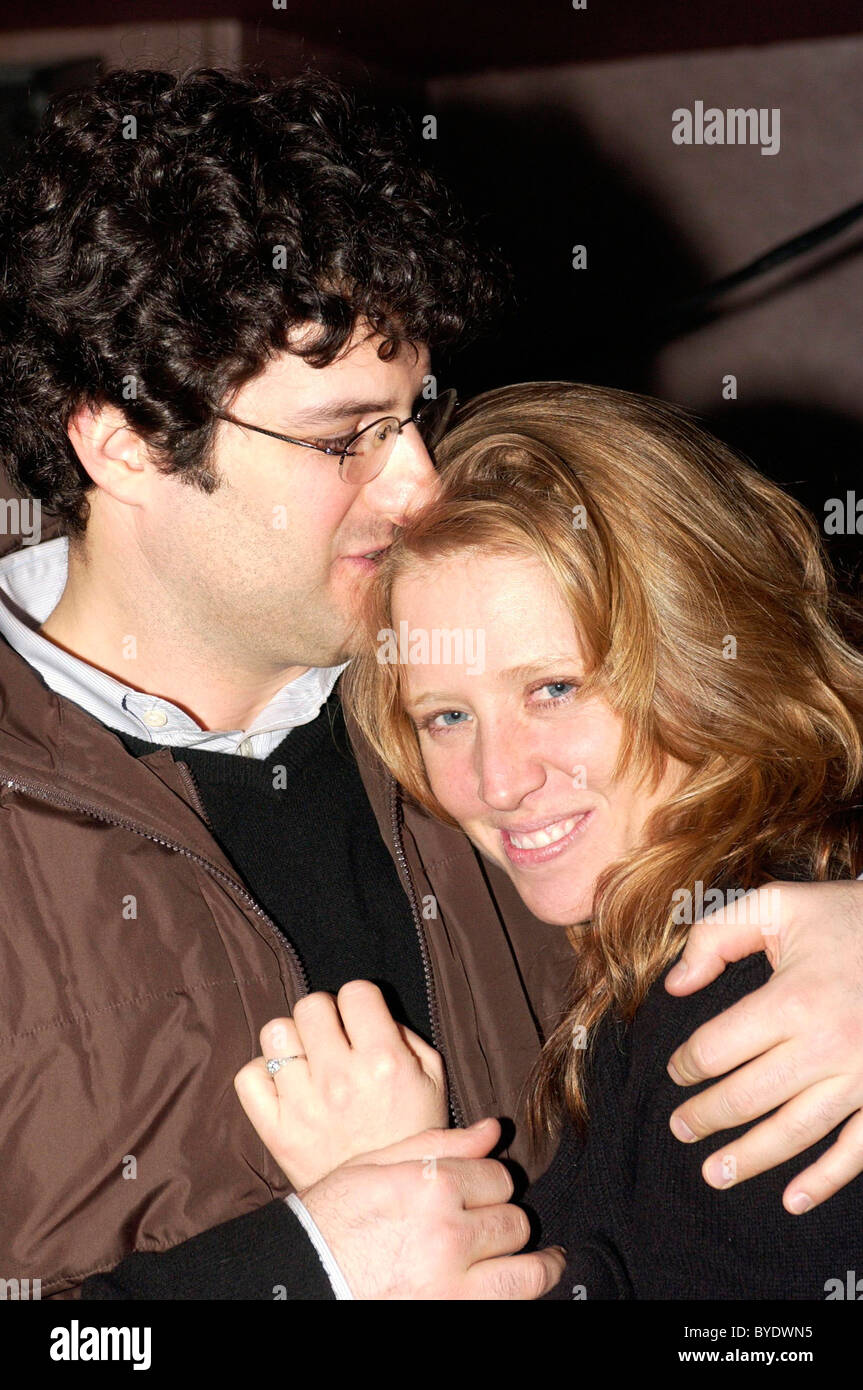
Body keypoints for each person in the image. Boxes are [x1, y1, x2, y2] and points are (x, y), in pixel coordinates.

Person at [0, 68, 860, 1303]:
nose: (417, 484)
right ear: (124, 442)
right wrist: (305, 1272)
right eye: (347, 436)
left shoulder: (464, 681)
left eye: (416, 414)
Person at [237, 381, 863, 1298]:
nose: (498, 781)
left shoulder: (749, 991)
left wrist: (409, 1217)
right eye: (447, 716)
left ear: (707, 654)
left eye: (554, 689)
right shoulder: (689, 939)